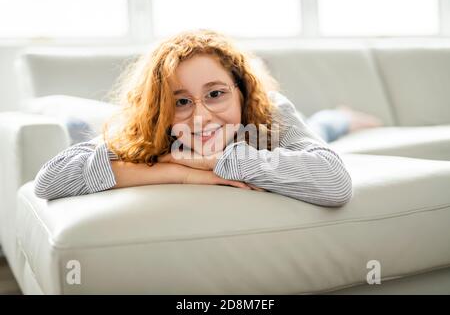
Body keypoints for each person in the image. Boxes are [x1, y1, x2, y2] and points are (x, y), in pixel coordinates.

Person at [34, 29, 356, 207]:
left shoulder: (269, 111)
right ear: (160, 109)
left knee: (323, 128)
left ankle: (341, 117)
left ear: (241, 92)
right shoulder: (152, 128)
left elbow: (335, 183)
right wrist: (180, 172)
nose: (201, 116)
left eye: (216, 94)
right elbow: (50, 181)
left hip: (287, 127)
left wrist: (215, 161)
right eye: (182, 101)